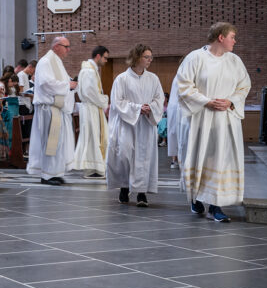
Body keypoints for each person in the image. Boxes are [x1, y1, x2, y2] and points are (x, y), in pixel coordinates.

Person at [176, 22, 251, 222]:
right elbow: (183, 86)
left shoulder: (234, 61)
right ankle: (196, 198)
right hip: (201, 117)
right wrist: (206, 101)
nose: (235, 41)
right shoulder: (195, 58)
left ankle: (216, 206)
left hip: (225, 119)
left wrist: (230, 101)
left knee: (220, 160)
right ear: (221, 37)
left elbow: (244, 86)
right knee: (200, 157)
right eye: (232, 37)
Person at [106, 45, 164, 206]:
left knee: (144, 158)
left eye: (151, 57)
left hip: (145, 124)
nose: (150, 60)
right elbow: (117, 102)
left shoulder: (153, 78)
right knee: (125, 156)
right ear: (137, 57)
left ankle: (141, 193)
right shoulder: (122, 79)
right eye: (146, 57)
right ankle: (124, 188)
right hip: (127, 124)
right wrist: (138, 108)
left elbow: (159, 99)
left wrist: (151, 107)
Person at [26, 36, 77, 184]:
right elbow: (45, 83)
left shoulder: (57, 62)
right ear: (56, 46)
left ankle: (55, 172)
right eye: (65, 46)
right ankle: (46, 175)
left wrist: (73, 84)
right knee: (50, 142)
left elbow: (66, 81)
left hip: (56, 109)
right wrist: (68, 85)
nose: (68, 50)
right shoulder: (46, 61)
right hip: (48, 109)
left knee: (57, 143)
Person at [75, 46, 110, 178]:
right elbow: (91, 93)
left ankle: (93, 168)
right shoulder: (89, 71)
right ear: (98, 56)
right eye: (105, 58)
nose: (106, 61)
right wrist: (104, 101)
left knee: (93, 137)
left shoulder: (91, 70)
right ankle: (94, 168)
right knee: (93, 137)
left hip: (92, 108)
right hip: (91, 108)